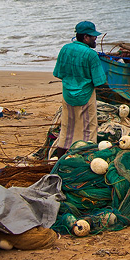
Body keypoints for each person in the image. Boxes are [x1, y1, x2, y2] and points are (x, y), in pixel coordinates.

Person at [51, 20, 107, 158]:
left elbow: (58, 73)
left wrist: (73, 81)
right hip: (86, 97)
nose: (95, 38)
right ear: (86, 37)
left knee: (66, 129)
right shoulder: (91, 55)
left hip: (67, 95)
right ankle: (87, 160)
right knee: (88, 130)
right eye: (93, 36)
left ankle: (60, 160)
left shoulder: (65, 49)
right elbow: (99, 81)